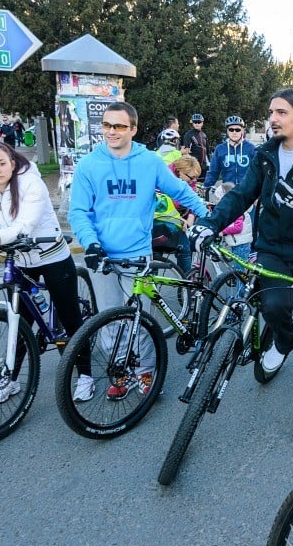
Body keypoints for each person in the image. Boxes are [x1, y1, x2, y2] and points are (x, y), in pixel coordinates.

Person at [188, 89, 293, 442]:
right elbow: (241, 196)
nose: (273, 119)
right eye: (271, 112)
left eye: (281, 112)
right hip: (273, 249)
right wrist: (209, 223)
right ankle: (283, 339)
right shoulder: (265, 155)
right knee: (274, 305)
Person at [69, 101, 208, 398]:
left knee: (139, 318)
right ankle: (121, 369)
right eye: (106, 125)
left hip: (136, 252)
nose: (111, 131)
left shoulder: (149, 162)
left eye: (119, 126)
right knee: (107, 318)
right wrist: (90, 244)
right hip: (101, 254)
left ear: (133, 129)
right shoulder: (89, 165)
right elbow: (79, 212)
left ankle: (145, 371)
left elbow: (180, 190)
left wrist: (209, 219)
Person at [0, 141, 87, 403]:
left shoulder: (30, 181)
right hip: (19, 259)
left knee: (69, 315)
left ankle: (86, 375)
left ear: (12, 163)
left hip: (50, 253)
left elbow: (24, 226)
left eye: (1, 163)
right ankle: (10, 379)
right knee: (20, 321)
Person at [204, 115, 257, 189]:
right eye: (231, 130)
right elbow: (213, 172)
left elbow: (258, 171)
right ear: (227, 131)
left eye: (237, 130)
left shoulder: (251, 148)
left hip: (247, 191)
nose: (234, 132)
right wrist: (206, 186)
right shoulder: (220, 149)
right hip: (228, 192)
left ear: (242, 130)